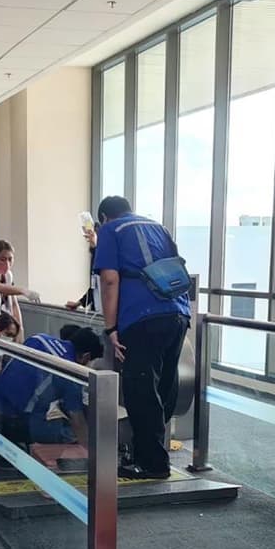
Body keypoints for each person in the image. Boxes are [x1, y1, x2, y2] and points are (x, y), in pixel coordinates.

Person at [93, 195, 189, 480]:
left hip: (142, 318)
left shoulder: (111, 231)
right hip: (177, 314)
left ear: (104, 217)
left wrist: (111, 329)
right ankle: (152, 453)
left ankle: (152, 464)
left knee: (141, 390)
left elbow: (110, 280)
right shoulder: (158, 227)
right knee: (164, 387)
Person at [0, 326, 103, 447]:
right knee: (66, 430)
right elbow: (78, 422)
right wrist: (94, 454)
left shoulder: (38, 338)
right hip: (10, 421)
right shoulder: (70, 372)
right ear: (86, 357)